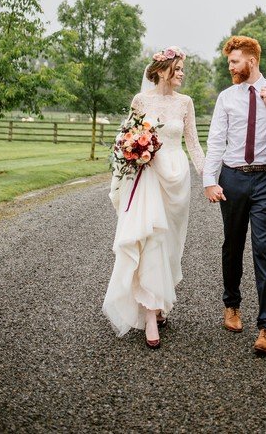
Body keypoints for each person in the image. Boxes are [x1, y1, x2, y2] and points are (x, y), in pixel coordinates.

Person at [203, 35, 266, 355]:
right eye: (229, 61)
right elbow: (216, 140)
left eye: (235, 61)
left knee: (263, 248)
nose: (230, 67)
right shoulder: (226, 97)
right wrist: (209, 180)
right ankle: (231, 306)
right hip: (232, 180)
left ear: (252, 61)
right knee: (232, 245)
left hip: (264, 182)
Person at [103, 46, 205, 349]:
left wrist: (210, 179)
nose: (183, 74)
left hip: (177, 178)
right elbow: (125, 140)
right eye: (179, 68)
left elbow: (194, 145)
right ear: (162, 71)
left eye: (183, 69)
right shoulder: (141, 101)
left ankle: (158, 301)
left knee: (170, 244)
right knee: (150, 239)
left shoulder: (186, 103)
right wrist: (133, 152)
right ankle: (149, 314)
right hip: (147, 176)